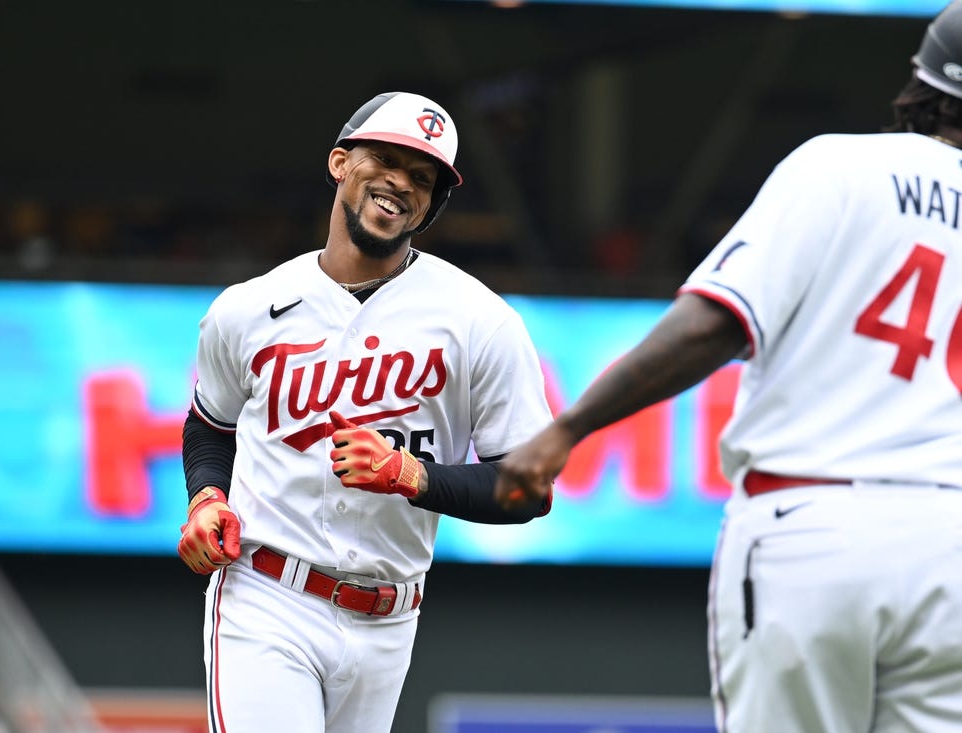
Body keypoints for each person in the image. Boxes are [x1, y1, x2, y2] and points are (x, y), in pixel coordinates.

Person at [495, 5, 962, 732]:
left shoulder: (843, 164)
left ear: (922, 80)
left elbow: (713, 322)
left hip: (813, 521)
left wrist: (567, 428)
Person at [176, 90, 553, 733]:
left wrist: (413, 476)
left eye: (423, 178)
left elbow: (528, 489)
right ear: (340, 163)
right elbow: (211, 426)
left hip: (390, 619)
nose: (401, 183)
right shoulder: (248, 308)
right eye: (386, 159)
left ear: (431, 205)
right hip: (268, 598)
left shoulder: (481, 321)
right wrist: (207, 498)